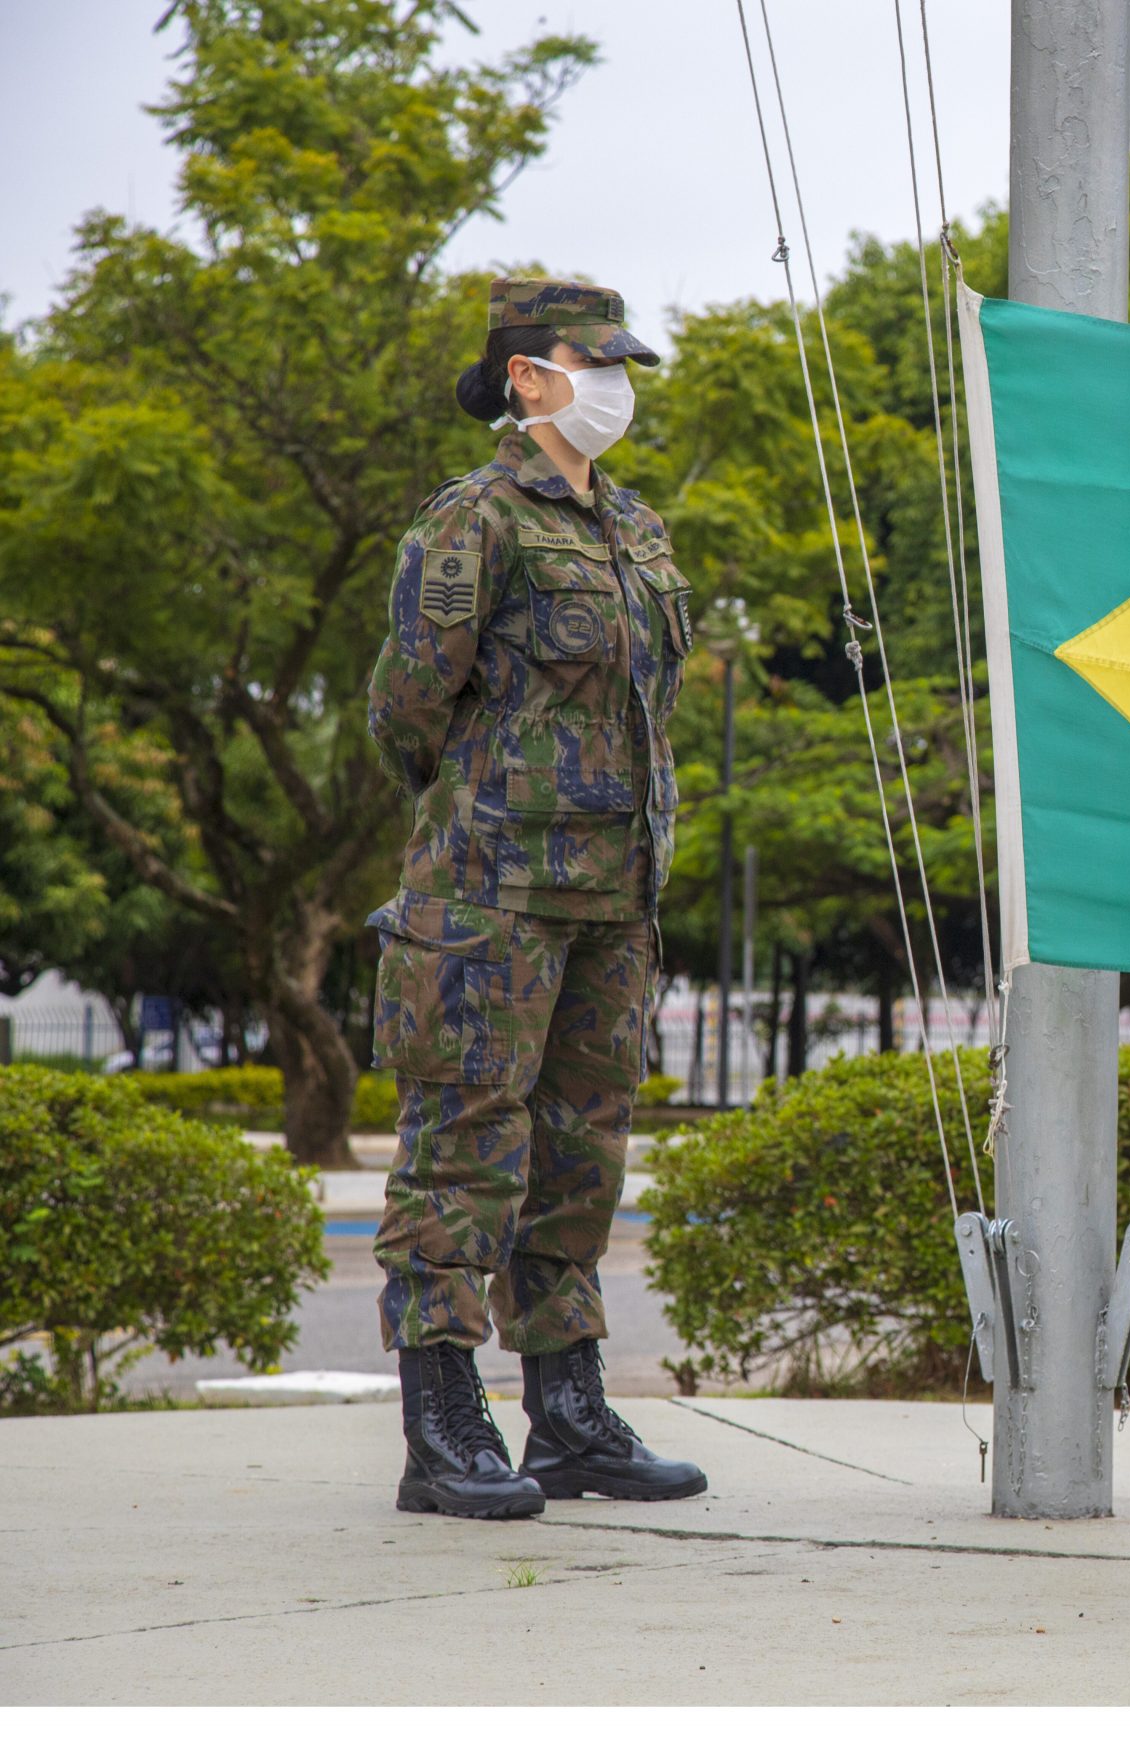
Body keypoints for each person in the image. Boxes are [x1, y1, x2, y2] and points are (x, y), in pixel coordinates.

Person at [364, 278, 706, 1520]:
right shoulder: (474, 522)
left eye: (622, 363)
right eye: (593, 361)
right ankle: (443, 1424)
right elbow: (406, 706)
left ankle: (567, 1411)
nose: (616, 385)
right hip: (490, 895)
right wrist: (482, 809)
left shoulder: (634, 529)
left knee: (579, 1158)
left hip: (613, 895)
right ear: (527, 376)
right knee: (462, 1151)